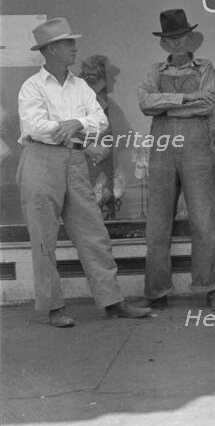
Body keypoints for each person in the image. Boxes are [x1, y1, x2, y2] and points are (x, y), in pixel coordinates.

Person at [17, 17, 151, 327]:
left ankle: (112, 301)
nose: (75, 48)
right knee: (43, 237)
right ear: (50, 49)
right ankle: (53, 308)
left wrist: (76, 124)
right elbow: (35, 126)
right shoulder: (32, 87)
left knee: (93, 231)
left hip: (75, 160)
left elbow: (99, 121)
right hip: (39, 160)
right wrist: (69, 127)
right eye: (68, 43)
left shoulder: (80, 87)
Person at [137, 9, 215, 311]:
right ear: (163, 43)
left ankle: (209, 287)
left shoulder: (206, 68)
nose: (176, 43)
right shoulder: (154, 70)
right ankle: (156, 291)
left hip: (197, 150)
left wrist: (166, 105)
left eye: (180, 36)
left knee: (203, 219)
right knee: (157, 222)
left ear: (190, 38)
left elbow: (210, 103)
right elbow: (145, 103)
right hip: (161, 150)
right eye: (169, 38)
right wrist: (187, 99)